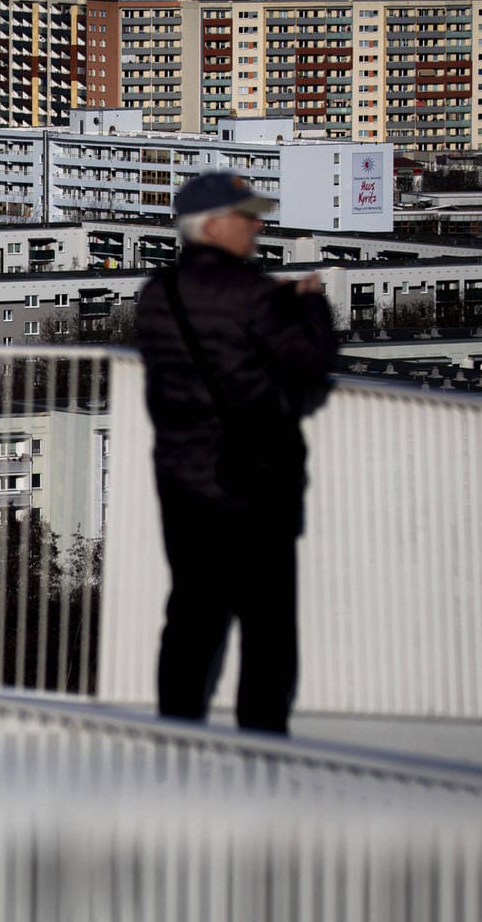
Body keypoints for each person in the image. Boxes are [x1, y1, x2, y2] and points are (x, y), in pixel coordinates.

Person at [134, 172, 338, 735]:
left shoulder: (157, 295)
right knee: (268, 629)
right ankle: (260, 750)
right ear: (216, 224)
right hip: (256, 485)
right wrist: (311, 306)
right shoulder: (255, 296)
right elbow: (309, 362)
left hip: (182, 482)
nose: (258, 225)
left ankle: (176, 736)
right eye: (247, 216)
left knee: (192, 617)